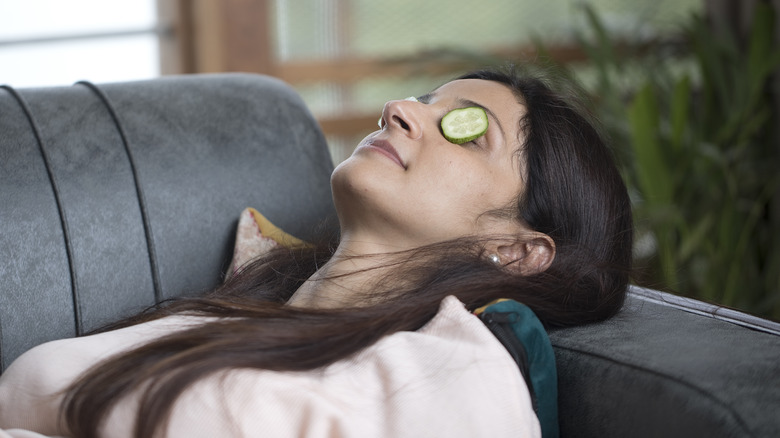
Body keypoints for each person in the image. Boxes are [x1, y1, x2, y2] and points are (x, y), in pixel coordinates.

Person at [0, 65, 633, 438]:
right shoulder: (229, 315)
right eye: (425, 99)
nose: (401, 109)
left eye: (465, 131)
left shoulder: (462, 372)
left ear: (518, 250)